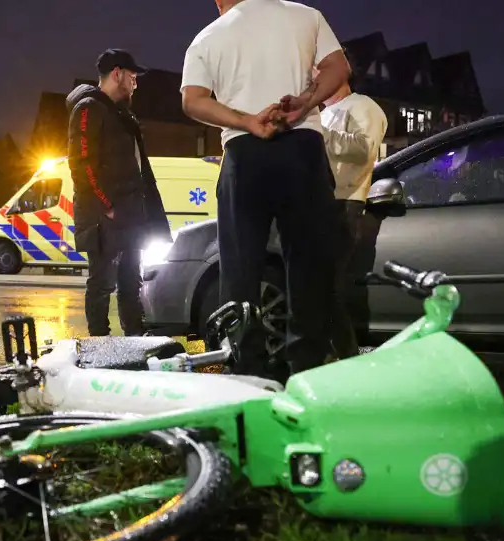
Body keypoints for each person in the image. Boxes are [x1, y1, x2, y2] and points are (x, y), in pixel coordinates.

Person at [180, 0, 350, 377]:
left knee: (240, 269)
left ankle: (247, 370)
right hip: (302, 144)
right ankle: (306, 368)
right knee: (308, 265)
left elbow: (192, 100)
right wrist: (304, 101)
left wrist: (246, 120)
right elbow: (339, 67)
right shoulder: (306, 16)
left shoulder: (209, 37)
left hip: (243, 153)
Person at [67, 49, 171, 337]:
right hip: (106, 219)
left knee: (131, 282)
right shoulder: (88, 108)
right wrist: (106, 206)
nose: (135, 83)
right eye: (132, 77)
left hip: (130, 216)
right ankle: (99, 347)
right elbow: (81, 164)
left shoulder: (122, 115)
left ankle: (134, 342)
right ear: (117, 74)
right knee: (102, 284)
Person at [319, 71, 389, 359]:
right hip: (320, 203)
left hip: (343, 204)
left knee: (328, 289)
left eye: (317, 72)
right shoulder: (322, 114)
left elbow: (364, 151)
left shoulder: (364, 107)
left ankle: (346, 357)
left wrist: (316, 135)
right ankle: (329, 356)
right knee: (318, 287)